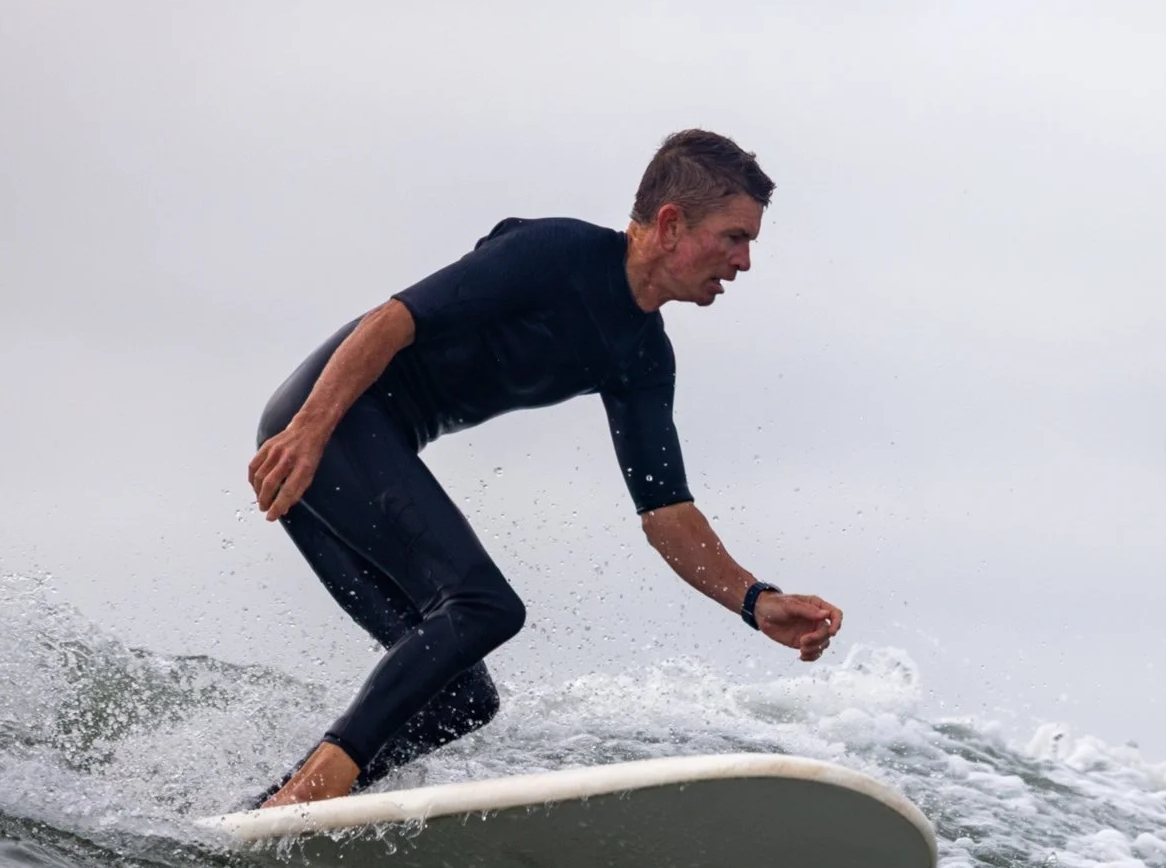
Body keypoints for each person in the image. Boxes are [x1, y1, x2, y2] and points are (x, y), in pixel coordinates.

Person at [245, 129, 842, 809]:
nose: (744, 261)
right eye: (734, 237)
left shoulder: (643, 356)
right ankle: (316, 788)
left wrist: (755, 601)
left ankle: (273, 814)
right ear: (672, 224)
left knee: (464, 697)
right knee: (484, 607)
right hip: (327, 423)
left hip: (344, 442)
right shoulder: (557, 254)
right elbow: (394, 319)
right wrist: (310, 430)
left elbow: (666, 512)